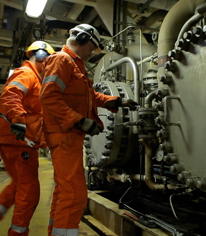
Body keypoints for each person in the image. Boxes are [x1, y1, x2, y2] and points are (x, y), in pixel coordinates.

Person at [39, 23, 138, 236]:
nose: (91, 53)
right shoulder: (61, 60)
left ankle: (54, 231)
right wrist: (80, 120)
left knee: (64, 189)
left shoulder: (75, 66)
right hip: (63, 134)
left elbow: (90, 97)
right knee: (74, 193)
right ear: (82, 39)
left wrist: (117, 102)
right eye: (91, 48)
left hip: (69, 135)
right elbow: (48, 96)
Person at [0, 41, 55, 236]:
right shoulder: (27, 74)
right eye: (47, 59)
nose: (48, 64)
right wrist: (18, 121)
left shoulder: (34, 78)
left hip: (14, 139)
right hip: (19, 140)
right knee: (30, 192)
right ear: (40, 55)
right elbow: (11, 96)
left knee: (18, 186)